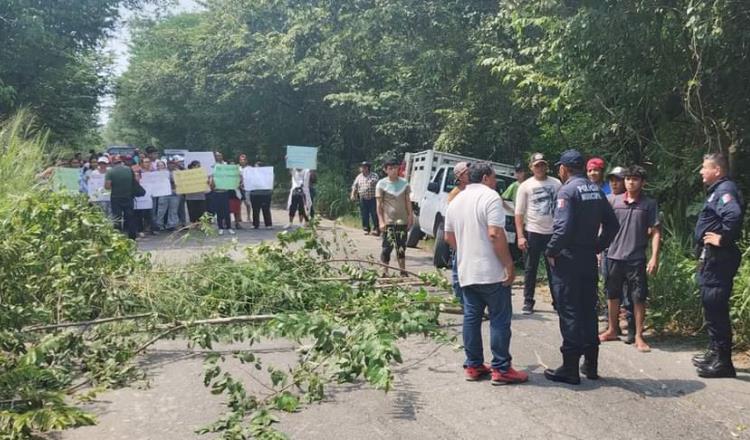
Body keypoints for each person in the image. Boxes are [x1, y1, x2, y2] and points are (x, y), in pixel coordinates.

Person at [444, 162, 527, 385]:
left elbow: (448, 238)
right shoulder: (490, 198)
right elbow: (495, 234)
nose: (496, 181)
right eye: (493, 177)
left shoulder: (456, 200)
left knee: (471, 318)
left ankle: (473, 365)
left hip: (467, 271)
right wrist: (508, 265)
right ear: (485, 178)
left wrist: (466, 252)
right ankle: (501, 368)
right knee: (499, 319)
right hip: (491, 272)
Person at [544, 150, 619, 385]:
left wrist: (551, 251)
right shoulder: (597, 191)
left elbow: (563, 228)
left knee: (569, 311)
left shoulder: (566, 191)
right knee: (588, 311)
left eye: (560, 168)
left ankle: (569, 368)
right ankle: (591, 364)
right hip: (588, 258)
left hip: (568, 260)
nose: (559, 171)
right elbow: (613, 224)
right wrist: (597, 247)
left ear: (565, 169)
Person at [692, 153, 744, 378]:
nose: (701, 171)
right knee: (710, 305)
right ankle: (714, 353)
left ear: (718, 171)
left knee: (716, 307)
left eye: (705, 168)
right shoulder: (718, 190)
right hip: (712, 258)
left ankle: (724, 362)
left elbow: (733, 215)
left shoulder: (725, 190)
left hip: (720, 258)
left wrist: (721, 239)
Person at [597, 166, 660, 353]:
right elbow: (601, 225)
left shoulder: (649, 204)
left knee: (638, 298)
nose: (630, 182)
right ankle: (612, 329)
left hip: (636, 258)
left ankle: (639, 336)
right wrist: (598, 250)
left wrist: (654, 257)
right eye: (628, 179)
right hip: (613, 256)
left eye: (635, 179)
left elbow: (656, 231)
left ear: (642, 182)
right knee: (612, 295)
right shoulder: (612, 201)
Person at [514, 152, 561, 315]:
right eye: (537, 165)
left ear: (546, 166)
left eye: (542, 165)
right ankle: (528, 301)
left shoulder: (556, 183)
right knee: (530, 269)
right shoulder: (525, 186)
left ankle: (558, 301)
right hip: (533, 231)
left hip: (552, 232)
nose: (540, 168)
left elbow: (562, 209)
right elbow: (519, 213)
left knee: (554, 269)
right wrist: (520, 236)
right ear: (531, 167)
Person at [376, 158, 414, 276]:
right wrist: (381, 221)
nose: (393, 170)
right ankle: (385, 271)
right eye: (390, 168)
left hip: (402, 221)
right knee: (387, 248)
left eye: (396, 168)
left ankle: (403, 271)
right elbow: (379, 205)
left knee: (401, 247)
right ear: (386, 170)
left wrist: (410, 217)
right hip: (389, 222)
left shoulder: (404, 183)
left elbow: (408, 202)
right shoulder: (381, 184)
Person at [448, 162, 470, 304]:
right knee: (458, 269)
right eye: (467, 173)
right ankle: (459, 300)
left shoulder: (474, 190)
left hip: (472, 237)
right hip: (460, 237)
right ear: (459, 176)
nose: (470, 175)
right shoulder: (454, 195)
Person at [105, 155, 138, 240]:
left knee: (117, 217)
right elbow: (136, 181)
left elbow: (107, 186)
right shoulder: (129, 170)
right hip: (128, 196)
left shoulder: (110, 172)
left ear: (112, 162)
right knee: (130, 216)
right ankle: (132, 236)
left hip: (116, 197)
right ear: (121, 162)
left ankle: (117, 236)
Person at [350, 161, 381, 236]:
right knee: (364, 214)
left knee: (374, 214)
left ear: (367, 168)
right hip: (363, 198)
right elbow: (355, 186)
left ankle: (376, 229)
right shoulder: (359, 176)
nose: (361, 168)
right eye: (361, 167)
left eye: (363, 167)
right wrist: (353, 194)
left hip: (373, 198)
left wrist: (369, 182)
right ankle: (366, 228)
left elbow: (374, 182)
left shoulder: (374, 175)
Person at [210, 152, 234, 235]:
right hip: (217, 192)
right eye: (217, 156)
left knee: (227, 210)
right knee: (219, 211)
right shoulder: (213, 166)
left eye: (220, 155)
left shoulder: (226, 165)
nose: (218, 157)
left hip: (225, 191)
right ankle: (220, 227)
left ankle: (229, 227)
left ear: (222, 156)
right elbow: (211, 181)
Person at [247, 160, 274, 229]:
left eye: (258, 167)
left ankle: (268, 224)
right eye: (255, 167)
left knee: (266, 209)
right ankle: (255, 224)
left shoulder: (267, 174)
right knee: (255, 210)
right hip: (254, 194)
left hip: (265, 194)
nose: (256, 169)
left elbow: (271, 181)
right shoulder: (252, 174)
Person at [133, 161, 155, 238]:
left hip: (147, 202)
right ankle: (139, 230)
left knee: (148, 215)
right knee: (137, 217)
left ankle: (149, 229)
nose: (136, 177)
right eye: (135, 176)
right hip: (136, 204)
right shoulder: (131, 184)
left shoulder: (146, 182)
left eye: (138, 176)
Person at [157, 159, 180, 231]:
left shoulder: (178, 172)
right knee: (161, 210)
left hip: (175, 193)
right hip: (164, 193)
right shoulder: (163, 172)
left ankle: (172, 225)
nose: (171, 165)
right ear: (167, 165)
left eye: (173, 164)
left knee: (173, 210)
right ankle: (159, 225)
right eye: (169, 164)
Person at [185, 160, 208, 224]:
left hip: (200, 196)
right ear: (192, 166)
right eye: (197, 166)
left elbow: (206, 182)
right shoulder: (186, 174)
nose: (198, 167)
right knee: (192, 211)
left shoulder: (202, 173)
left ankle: (201, 224)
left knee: (201, 211)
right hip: (190, 196)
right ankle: (194, 224)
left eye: (199, 166)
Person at [239, 154, 252, 222]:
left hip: (247, 188)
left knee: (247, 203)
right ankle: (239, 217)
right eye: (241, 160)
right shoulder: (238, 168)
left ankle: (249, 217)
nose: (242, 161)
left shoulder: (249, 168)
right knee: (239, 203)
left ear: (246, 160)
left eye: (244, 160)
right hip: (239, 188)